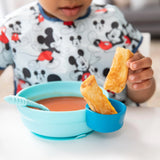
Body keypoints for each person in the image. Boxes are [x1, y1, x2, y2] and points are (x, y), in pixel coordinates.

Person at [0, 0, 155, 105]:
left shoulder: (112, 18)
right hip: (40, 125)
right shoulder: (13, 26)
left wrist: (139, 82)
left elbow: (142, 95)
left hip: (111, 126)